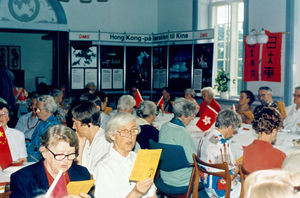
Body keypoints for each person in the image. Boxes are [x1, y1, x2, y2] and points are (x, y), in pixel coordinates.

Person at [10, 125, 92, 198]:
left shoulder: (82, 174)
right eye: (60, 155)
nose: (66, 160)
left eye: (71, 154)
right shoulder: (23, 179)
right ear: (44, 152)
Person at [94, 112, 157, 198]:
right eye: (124, 131)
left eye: (133, 130)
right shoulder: (103, 167)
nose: (130, 136)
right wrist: (136, 193)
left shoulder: (139, 159)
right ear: (112, 135)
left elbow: (152, 195)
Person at [198, 109, 241, 198]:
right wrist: (238, 167)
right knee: (249, 183)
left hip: (205, 183)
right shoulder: (222, 144)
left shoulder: (205, 135)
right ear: (229, 126)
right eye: (233, 128)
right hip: (218, 190)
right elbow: (230, 175)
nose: (233, 132)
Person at [159, 98, 198, 187]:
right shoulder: (182, 132)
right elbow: (193, 159)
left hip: (165, 175)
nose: (192, 119)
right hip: (181, 180)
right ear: (183, 116)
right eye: (191, 116)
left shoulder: (164, 126)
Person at [72, 100, 111, 177]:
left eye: (76, 123)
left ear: (88, 124)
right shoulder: (84, 139)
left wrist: (80, 147)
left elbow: (89, 176)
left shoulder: (104, 142)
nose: (73, 127)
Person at [242, 107, 286, 174]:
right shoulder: (280, 156)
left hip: (250, 184)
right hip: (267, 184)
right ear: (274, 131)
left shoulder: (247, 149)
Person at [26, 95, 59, 162]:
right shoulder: (42, 123)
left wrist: (26, 157)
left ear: (48, 110)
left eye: (38, 109)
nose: (36, 111)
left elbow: (43, 153)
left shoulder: (53, 127)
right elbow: (33, 143)